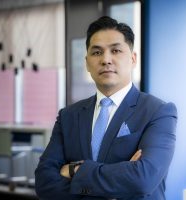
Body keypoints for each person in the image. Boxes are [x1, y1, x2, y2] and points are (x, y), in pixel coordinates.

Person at [35, 16, 177, 200]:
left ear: (133, 59)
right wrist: (120, 178)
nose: (106, 59)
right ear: (87, 63)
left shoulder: (158, 112)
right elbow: (44, 183)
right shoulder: (68, 116)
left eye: (116, 50)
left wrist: (74, 170)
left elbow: (143, 180)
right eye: (96, 53)